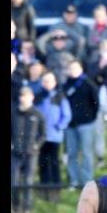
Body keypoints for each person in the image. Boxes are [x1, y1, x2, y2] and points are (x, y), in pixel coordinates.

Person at [62, 60, 98, 186]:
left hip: (86, 124)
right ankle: (74, 180)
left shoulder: (88, 84)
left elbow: (95, 103)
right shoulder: (65, 84)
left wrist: (90, 118)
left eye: (75, 68)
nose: (72, 71)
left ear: (81, 69)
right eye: (70, 68)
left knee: (86, 153)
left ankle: (87, 180)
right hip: (70, 125)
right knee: (72, 153)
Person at [35, 71, 70, 201]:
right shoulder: (38, 97)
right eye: (44, 81)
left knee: (54, 162)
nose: (47, 83)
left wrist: (58, 127)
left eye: (50, 81)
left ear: (54, 83)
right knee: (43, 162)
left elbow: (66, 115)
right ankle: (44, 188)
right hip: (41, 137)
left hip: (54, 137)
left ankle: (56, 189)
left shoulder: (60, 97)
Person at [11, 86, 42, 213]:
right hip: (15, 153)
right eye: (22, 96)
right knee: (14, 181)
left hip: (31, 154)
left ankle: (27, 209)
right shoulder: (14, 114)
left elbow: (43, 134)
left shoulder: (37, 115)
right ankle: (15, 207)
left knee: (28, 181)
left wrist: (36, 145)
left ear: (32, 98)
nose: (23, 99)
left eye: (26, 96)